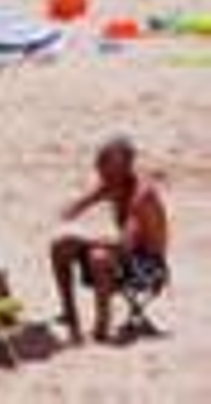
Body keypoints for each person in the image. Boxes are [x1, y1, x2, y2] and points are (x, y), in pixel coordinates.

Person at [51, 137, 170, 343]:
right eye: (98, 163)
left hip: (149, 268)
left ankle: (101, 328)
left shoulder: (142, 195)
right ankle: (70, 317)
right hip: (126, 255)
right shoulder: (112, 183)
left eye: (103, 163)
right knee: (60, 246)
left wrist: (82, 239)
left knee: (99, 257)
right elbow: (71, 209)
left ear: (123, 166)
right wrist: (71, 217)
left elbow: (124, 244)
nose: (97, 169)